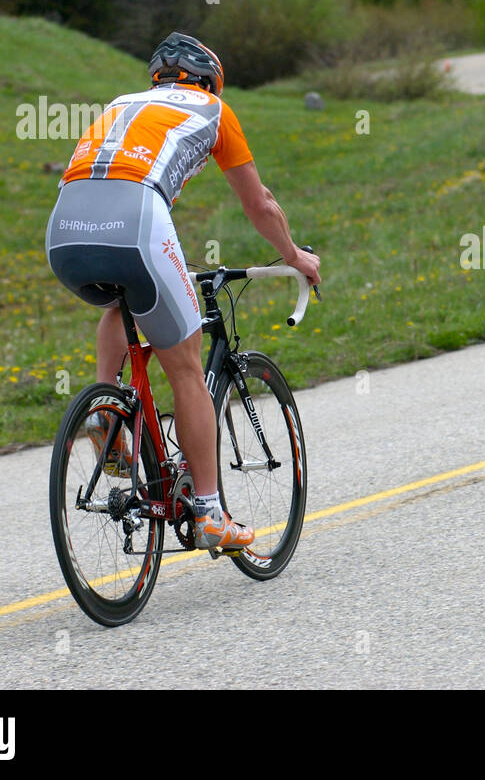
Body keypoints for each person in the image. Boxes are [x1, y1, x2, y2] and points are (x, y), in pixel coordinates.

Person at [45, 32, 321, 550]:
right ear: (210, 80)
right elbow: (259, 203)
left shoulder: (122, 103)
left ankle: (107, 415)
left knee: (118, 301)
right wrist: (295, 257)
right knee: (187, 367)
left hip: (65, 232)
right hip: (136, 223)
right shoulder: (214, 109)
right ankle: (210, 512)